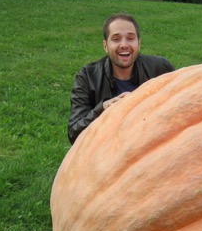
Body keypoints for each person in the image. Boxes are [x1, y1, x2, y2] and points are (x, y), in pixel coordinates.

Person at [67, 13, 175, 144]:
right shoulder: (88, 77)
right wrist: (103, 109)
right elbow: (74, 134)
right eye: (116, 39)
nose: (124, 44)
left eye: (130, 38)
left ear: (139, 43)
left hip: (152, 148)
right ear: (105, 45)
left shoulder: (161, 69)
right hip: (108, 153)